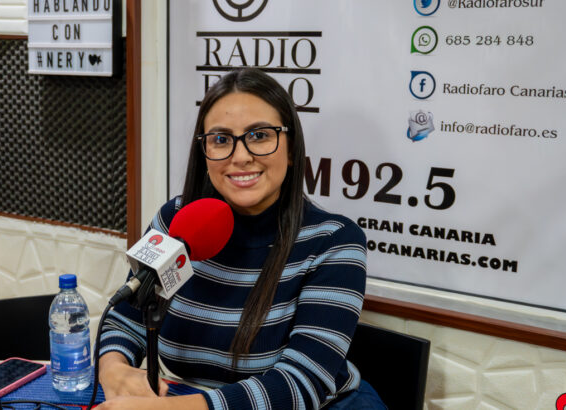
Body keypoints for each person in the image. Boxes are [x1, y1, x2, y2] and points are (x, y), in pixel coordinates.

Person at [96, 68, 386, 409]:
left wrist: (170, 409)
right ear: (204, 152)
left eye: (259, 135)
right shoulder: (175, 221)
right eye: (221, 139)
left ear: (291, 149)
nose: (241, 156)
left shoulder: (335, 241)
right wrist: (113, 367)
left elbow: (301, 383)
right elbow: (127, 318)